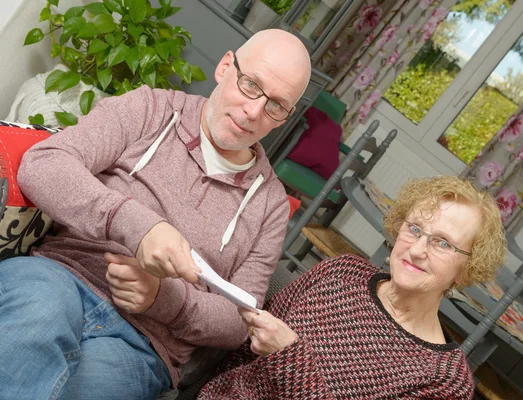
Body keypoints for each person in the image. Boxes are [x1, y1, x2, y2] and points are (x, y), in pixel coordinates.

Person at [0, 29, 311, 399]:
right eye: (250, 85)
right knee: (34, 321)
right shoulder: (150, 108)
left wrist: (162, 299)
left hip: (141, 346)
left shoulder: (270, 204)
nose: (254, 111)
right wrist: (138, 226)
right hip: (61, 276)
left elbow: (238, 322)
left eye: (276, 105)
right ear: (226, 66)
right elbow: (43, 165)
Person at [196, 176, 507, 399]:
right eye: (414, 229)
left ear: (466, 270)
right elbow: (243, 352)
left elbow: (280, 353)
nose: (416, 250)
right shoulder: (342, 272)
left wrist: (288, 357)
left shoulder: (445, 380)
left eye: (442, 243)